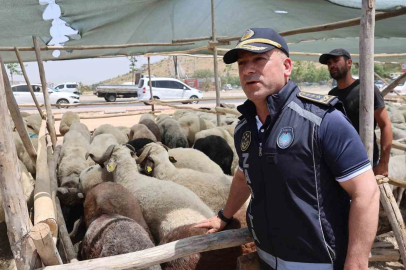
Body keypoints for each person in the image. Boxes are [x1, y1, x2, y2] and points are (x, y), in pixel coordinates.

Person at [195, 28, 380, 270]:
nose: (248, 69)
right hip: (266, 258)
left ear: (287, 67)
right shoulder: (245, 128)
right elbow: (243, 177)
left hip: (319, 263)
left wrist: (356, 264)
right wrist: (223, 216)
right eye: (242, 63)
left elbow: (366, 192)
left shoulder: (322, 121)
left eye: (259, 59)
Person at [319, 49, 392, 176]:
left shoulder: (367, 89)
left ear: (349, 63)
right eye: (329, 63)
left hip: (365, 161)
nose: (332, 65)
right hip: (339, 160)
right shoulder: (332, 95)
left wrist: (384, 163)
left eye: (336, 60)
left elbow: (385, 125)